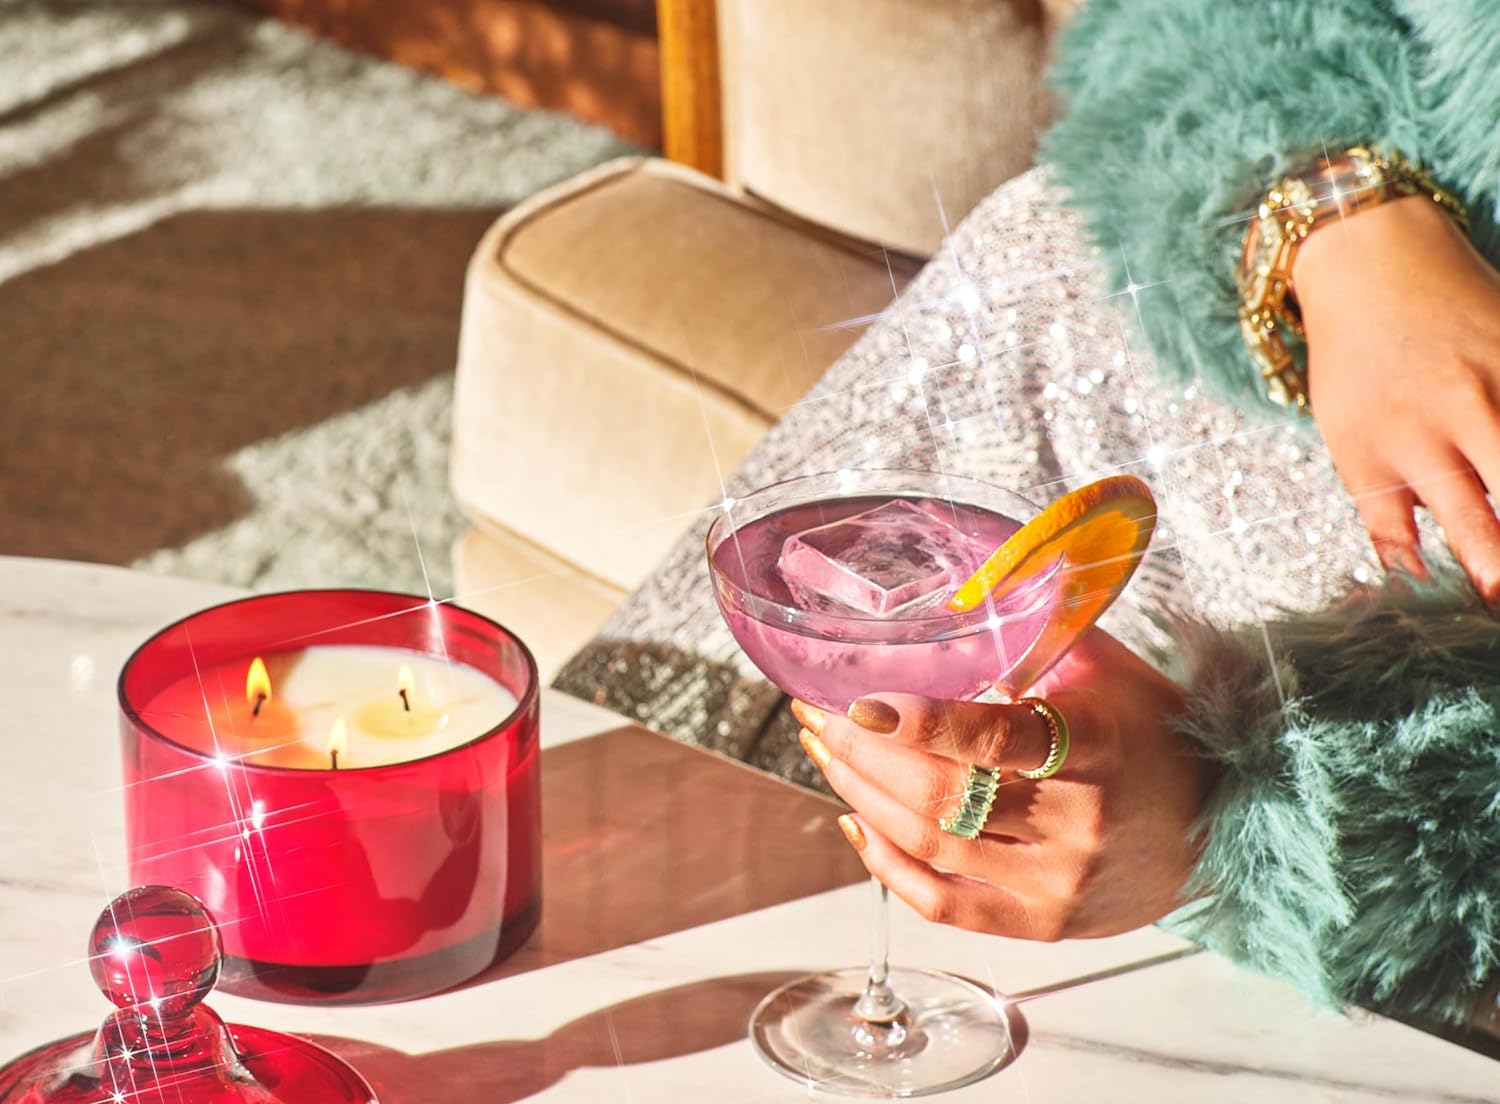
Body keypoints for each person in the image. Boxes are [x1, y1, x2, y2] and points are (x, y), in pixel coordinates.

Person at [555, 0, 1500, 1029]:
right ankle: (554, 922)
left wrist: (1245, 820)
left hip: (1441, 744)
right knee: (1045, 250)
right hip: (1338, 297)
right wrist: (1331, 203)